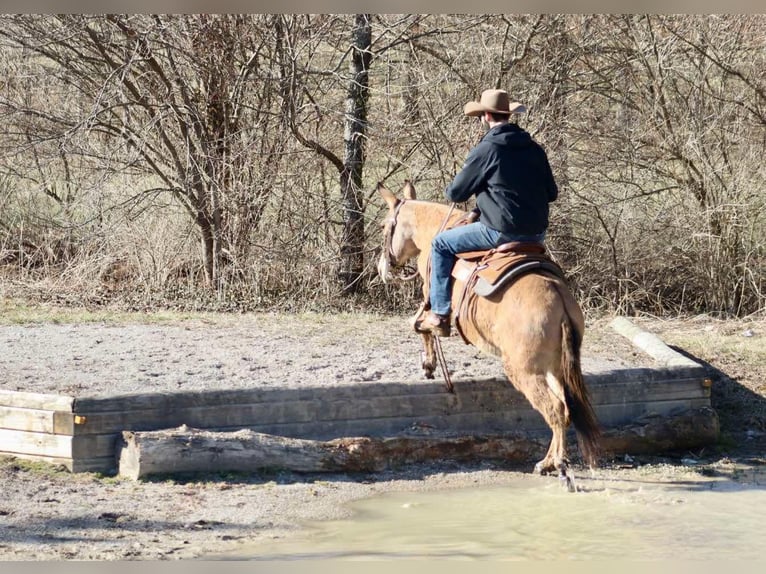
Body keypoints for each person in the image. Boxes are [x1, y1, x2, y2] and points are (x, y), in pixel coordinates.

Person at [416, 88, 559, 337]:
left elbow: (455, 194)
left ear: (485, 116)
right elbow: (551, 193)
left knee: (440, 244)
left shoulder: (488, 149)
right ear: (508, 115)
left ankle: (439, 313)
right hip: (537, 235)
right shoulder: (535, 149)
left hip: (499, 232)